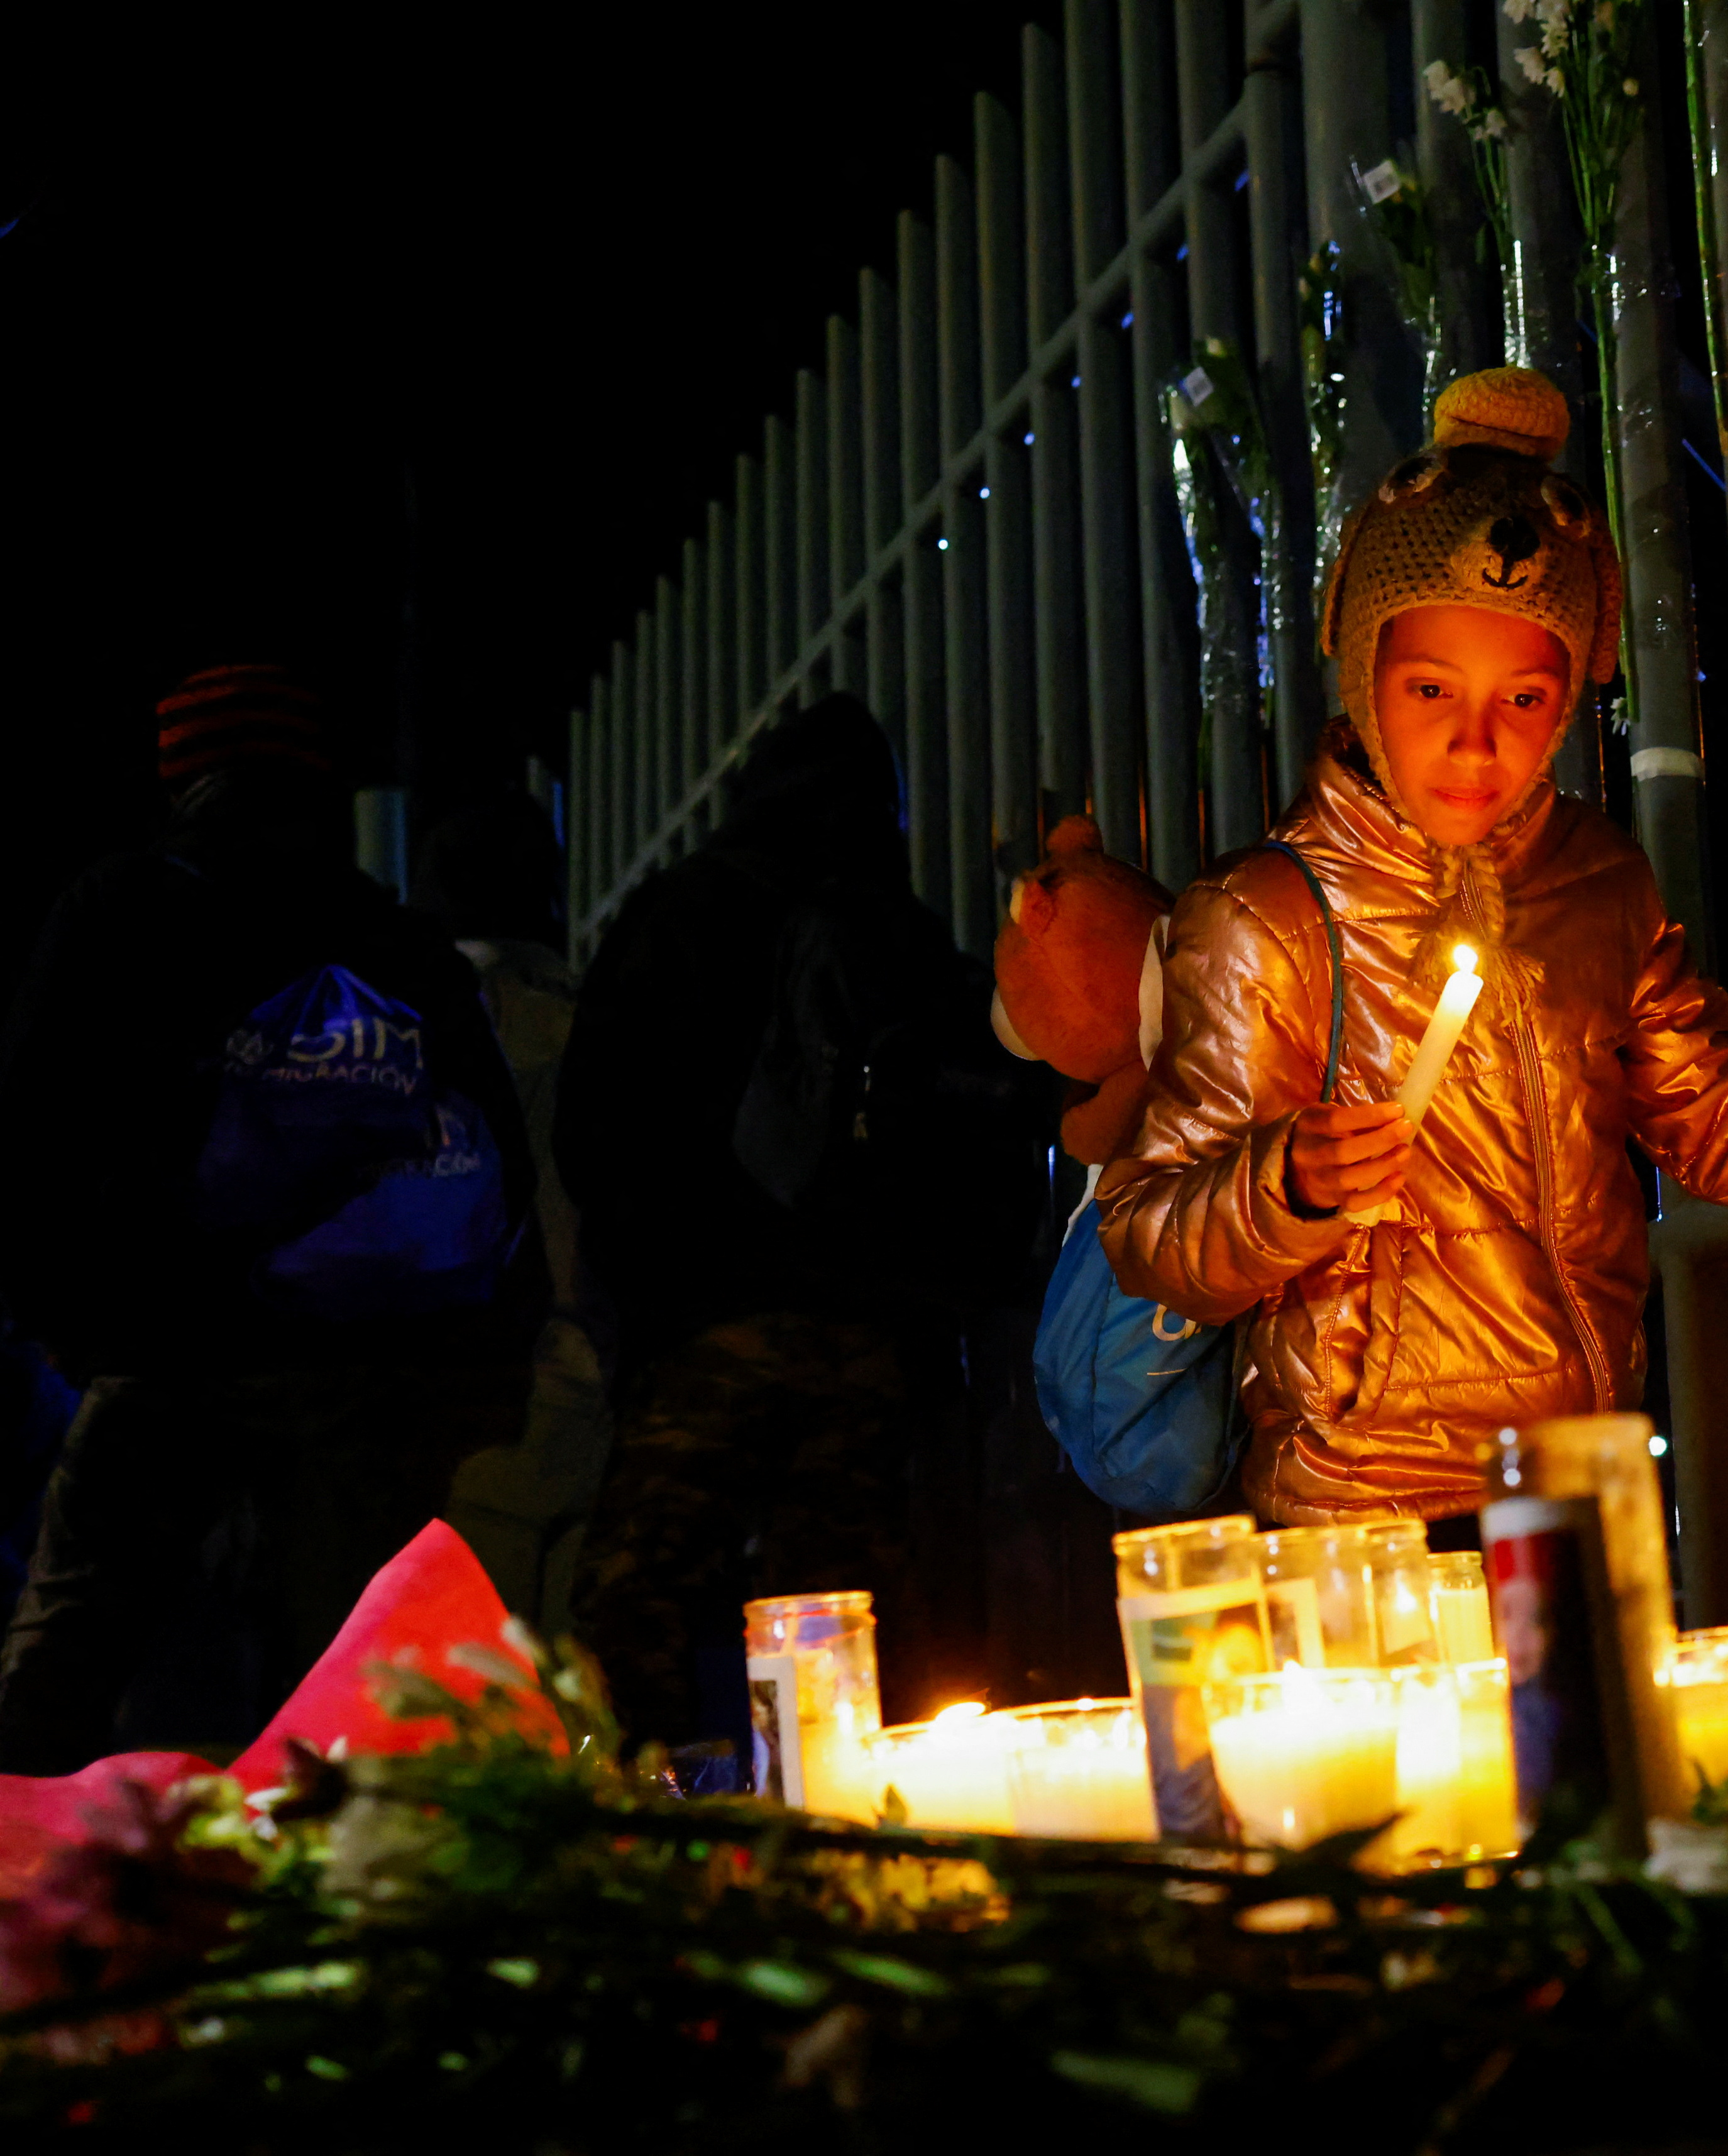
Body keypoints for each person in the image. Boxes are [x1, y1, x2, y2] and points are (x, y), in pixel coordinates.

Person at [1098, 368, 1728, 1532]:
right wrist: (1284, 1184)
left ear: (1564, 708)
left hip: (1581, 1479)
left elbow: (1724, 1134)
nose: (1471, 740)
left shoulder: (1597, 887)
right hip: (1363, 1511)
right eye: (1429, 687)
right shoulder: (1270, 920)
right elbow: (1147, 1234)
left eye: (1521, 698)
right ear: (1363, 678)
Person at [0, 665, 536, 1772]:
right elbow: (494, 1162)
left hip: (167, 1349)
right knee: (351, 1690)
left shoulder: (118, 911)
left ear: (180, 777)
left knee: (65, 1670)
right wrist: (479, 1366)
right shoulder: (388, 941)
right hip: (367, 1376)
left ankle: (44, 1906)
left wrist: (71, 1319)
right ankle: (351, 1912)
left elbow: (36, 1127)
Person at [558, 695, 1040, 1744]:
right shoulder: (900, 935)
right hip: (872, 1334)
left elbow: (600, 1123)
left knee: (633, 1602)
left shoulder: (684, 911)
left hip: (709, 1323)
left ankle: (640, 1825)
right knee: (830, 1619)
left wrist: (652, 1288)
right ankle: (841, 1825)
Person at [414, 791, 613, 1637]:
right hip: (594, 1351)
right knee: (570, 1670)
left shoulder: (418, 1017)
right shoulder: (597, 1018)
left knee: (462, 1672)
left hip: (464, 1367)